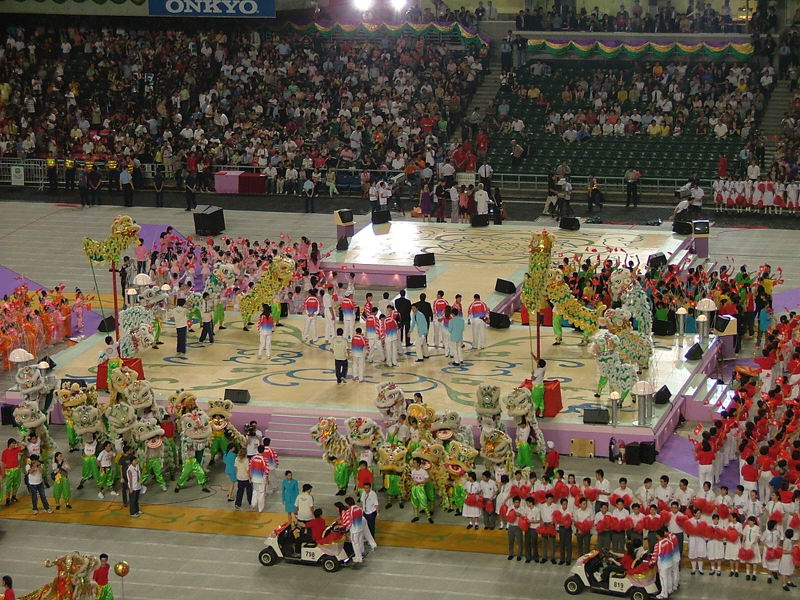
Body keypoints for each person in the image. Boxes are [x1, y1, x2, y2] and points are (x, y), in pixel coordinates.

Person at [2, 439, 22, 506]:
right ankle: (7, 499)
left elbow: (23, 447)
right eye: (13, 443)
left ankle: (13, 496)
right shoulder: (5, 452)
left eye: (14, 443)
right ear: (9, 444)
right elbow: (3, 463)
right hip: (8, 471)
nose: (14, 444)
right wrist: (3, 472)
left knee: (16, 484)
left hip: (16, 470)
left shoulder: (16, 449)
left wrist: (18, 443)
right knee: (8, 485)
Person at [249, 446, 268, 513]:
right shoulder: (264, 459)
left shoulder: (253, 458)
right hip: (262, 479)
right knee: (261, 493)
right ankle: (260, 508)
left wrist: (250, 477)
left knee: (255, 491)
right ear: (263, 451)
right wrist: (267, 479)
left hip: (254, 478)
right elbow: (266, 471)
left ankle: (253, 504)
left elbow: (250, 468)